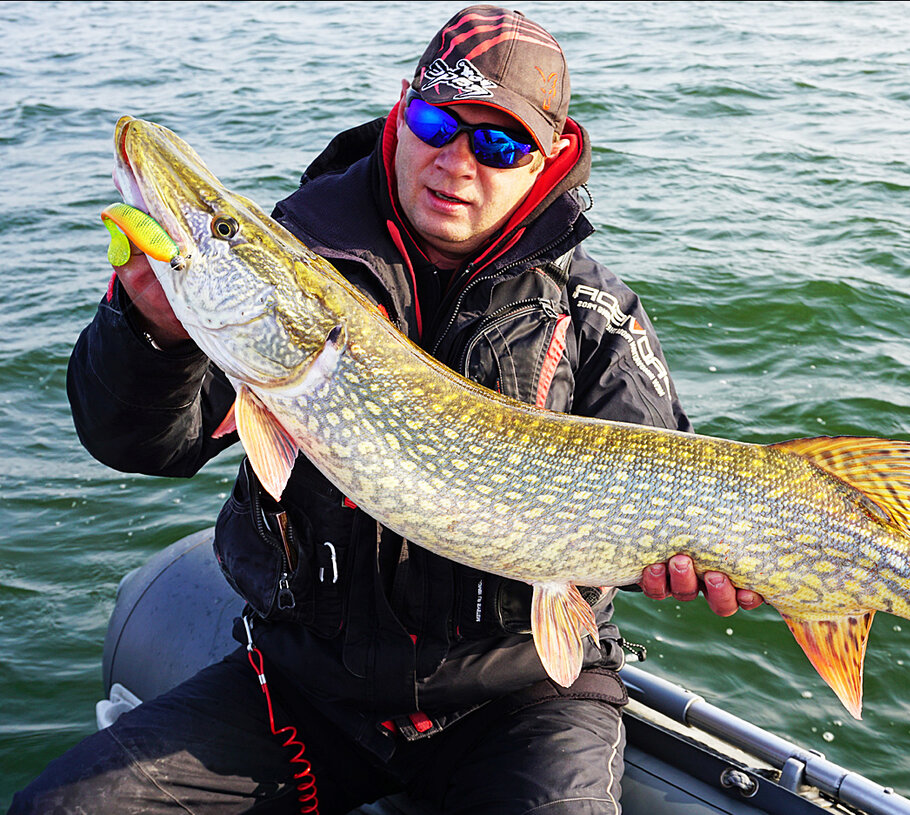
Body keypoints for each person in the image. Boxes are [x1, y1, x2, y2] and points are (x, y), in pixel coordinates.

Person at [13, 6, 762, 814]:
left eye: (499, 145)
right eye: (438, 121)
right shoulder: (301, 262)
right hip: (309, 689)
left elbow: (665, 476)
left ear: (548, 161)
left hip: (525, 695)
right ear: (403, 107)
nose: (458, 163)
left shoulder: (593, 313)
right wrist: (154, 331)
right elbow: (139, 442)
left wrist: (696, 557)